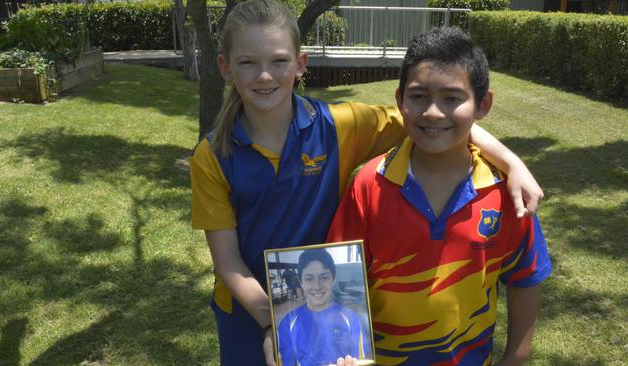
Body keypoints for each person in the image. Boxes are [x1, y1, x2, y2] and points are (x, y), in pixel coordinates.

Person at [189, 1, 544, 365]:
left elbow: (433, 120)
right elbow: (227, 262)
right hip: (250, 313)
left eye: (279, 61)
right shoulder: (213, 156)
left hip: (329, 303)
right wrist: (272, 322)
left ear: (300, 65)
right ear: (225, 68)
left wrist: (512, 162)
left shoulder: (340, 126)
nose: (264, 76)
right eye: (248, 62)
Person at [327, 27, 553, 365]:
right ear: (400, 99)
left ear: (483, 104)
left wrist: (516, 358)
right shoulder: (369, 185)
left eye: (452, 98)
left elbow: (525, 277)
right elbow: (340, 284)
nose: (433, 112)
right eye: (419, 96)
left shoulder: (506, 193)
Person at [277, 249, 370, 366]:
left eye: (324, 277)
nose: (317, 286)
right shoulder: (287, 324)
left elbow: (359, 361)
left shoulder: (351, 319)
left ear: (333, 279)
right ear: (301, 282)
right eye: (309, 279)